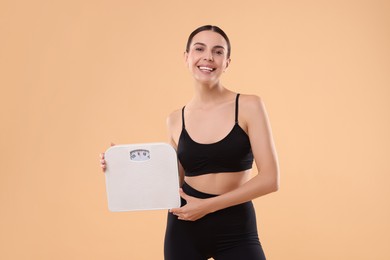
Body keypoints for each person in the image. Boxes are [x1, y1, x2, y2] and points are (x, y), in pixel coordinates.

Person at [100, 25, 279, 260]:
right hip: (184, 227)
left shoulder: (249, 106)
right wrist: (123, 165)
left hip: (236, 228)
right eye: (199, 49)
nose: (208, 57)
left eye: (218, 51)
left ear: (227, 62)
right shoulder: (175, 119)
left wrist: (207, 206)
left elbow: (270, 180)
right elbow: (173, 183)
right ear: (187, 58)